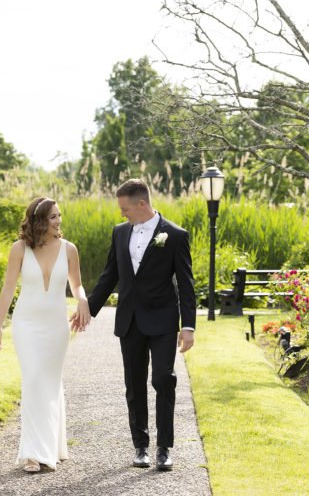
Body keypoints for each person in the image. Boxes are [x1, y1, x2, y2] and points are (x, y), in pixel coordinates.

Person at [78, 179, 195, 471]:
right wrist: (88, 309)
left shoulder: (175, 235)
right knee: (134, 384)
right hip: (130, 321)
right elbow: (109, 275)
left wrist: (188, 326)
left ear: (141, 204)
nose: (122, 214)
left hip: (163, 319)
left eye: (125, 208)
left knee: (163, 379)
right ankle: (140, 446)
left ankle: (164, 448)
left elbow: (186, 283)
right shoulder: (119, 233)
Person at [0, 197, 90, 473]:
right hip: (26, 324)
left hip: (56, 326)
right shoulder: (19, 249)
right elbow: (8, 288)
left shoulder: (69, 249)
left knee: (50, 381)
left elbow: (77, 285)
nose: (58, 221)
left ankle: (53, 446)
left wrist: (83, 300)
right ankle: (33, 454)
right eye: (52, 217)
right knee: (33, 379)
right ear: (39, 221)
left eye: (59, 216)